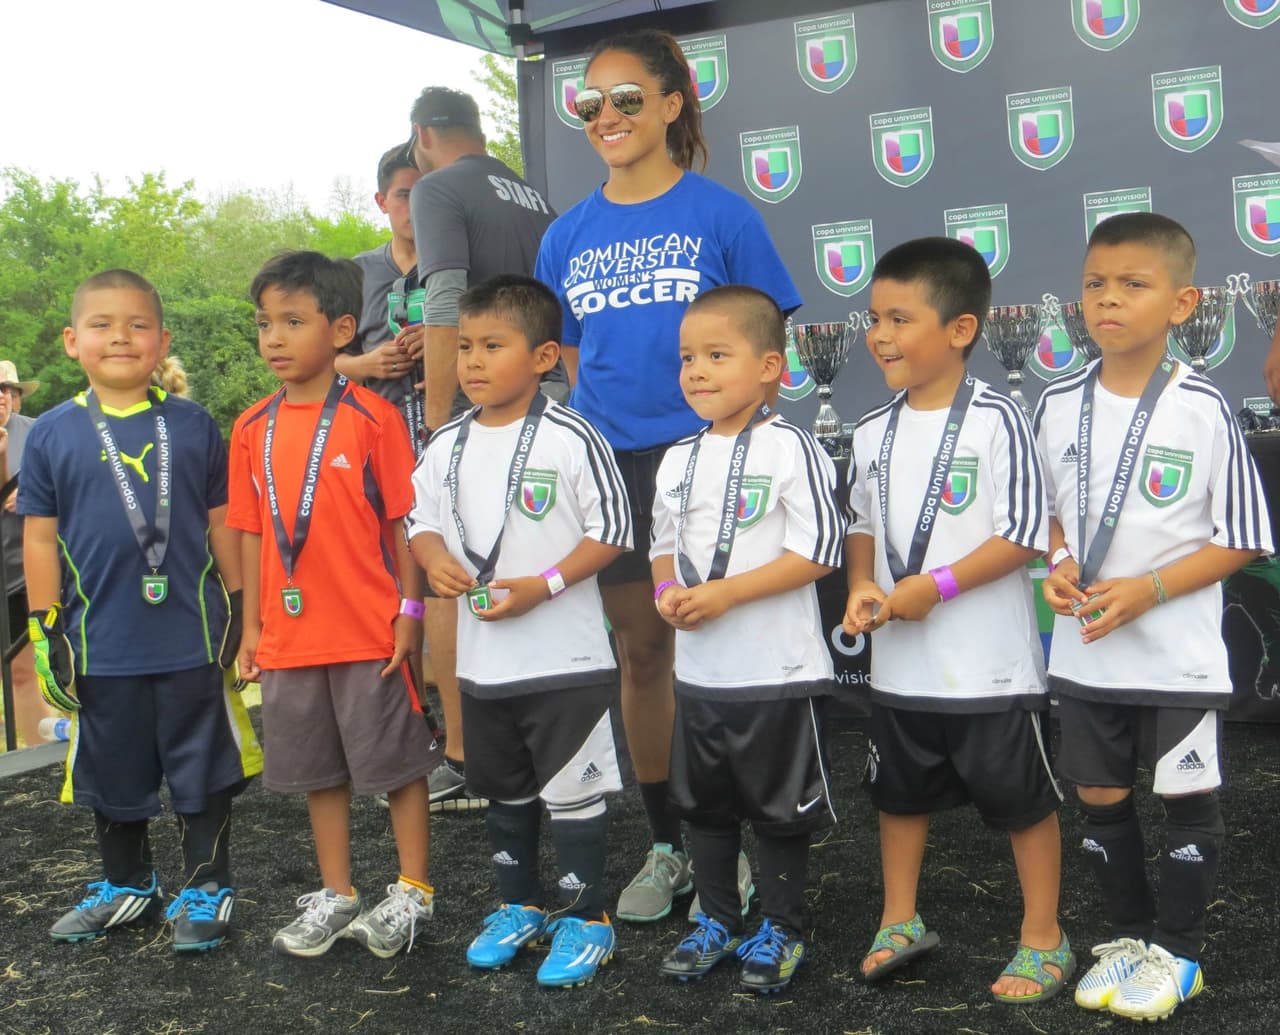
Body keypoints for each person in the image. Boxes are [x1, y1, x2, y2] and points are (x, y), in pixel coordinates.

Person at [534, 28, 802, 923]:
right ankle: (670, 843)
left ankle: (746, 846)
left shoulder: (723, 215)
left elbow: (771, 344)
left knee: (721, 653)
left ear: (672, 104)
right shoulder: (566, 234)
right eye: (590, 103)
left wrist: (737, 448)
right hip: (613, 466)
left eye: (625, 100)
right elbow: (572, 357)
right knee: (644, 654)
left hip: (715, 464)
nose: (605, 116)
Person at [1034, 212, 1272, 1022]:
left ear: (1182, 302)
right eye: (1096, 283)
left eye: (1134, 284)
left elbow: (1243, 538)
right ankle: (1133, 939)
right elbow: (1046, 518)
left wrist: (1151, 589)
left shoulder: (1203, 406)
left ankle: (1180, 951)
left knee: (1184, 796)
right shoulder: (1057, 401)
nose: (1109, 299)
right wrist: (1057, 563)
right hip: (1087, 653)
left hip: (1174, 654)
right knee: (1099, 795)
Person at [842, 238, 1070, 1002]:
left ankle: (1044, 935)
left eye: (899, 318)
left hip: (991, 669)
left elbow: (1025, 533)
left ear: (961, 329)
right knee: (898, 798)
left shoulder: (1000, 418)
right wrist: (862, 587)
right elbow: (862, 523)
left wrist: (932, 585)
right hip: (901, 669)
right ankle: (897, 918)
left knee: (1024, 805)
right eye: (874, 317)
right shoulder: (872, 429)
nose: (879, 334)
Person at [19, 269, 259, 950]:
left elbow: (222, 522)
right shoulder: (54, 433)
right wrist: (45, 628)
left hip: (192, 637)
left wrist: (240, 606)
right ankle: (128, 887)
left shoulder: (191, 423)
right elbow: (38, 536)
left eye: (137, 324)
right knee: (110, 771)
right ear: (71, 340)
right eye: (101, 324)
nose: (120, 336)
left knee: (204, 770)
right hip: (100, 644)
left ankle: (207, 889)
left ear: (163, 340)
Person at [406, 274, 631, 987]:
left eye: (491, 345)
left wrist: (546, 585)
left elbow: (614, 531)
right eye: (464, 345)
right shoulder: (445, 442)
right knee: (504, 790)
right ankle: (519, 906)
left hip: (565, 660)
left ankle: (587, 916)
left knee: (572, 790)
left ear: (540, 358)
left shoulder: (572, 435)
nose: (471, 361)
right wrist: (435, 559)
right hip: (484, 663)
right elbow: (421, 523)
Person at [228, 251, 435, 959]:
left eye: (293, 321)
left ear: (343, 327)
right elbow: (252, 531)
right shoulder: (251, 427)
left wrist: (411, 615)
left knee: (397, 766)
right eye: (264, 324)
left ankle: (412, 891)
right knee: (319, 770)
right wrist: (252, 626)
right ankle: (338, 890)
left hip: (370, 630)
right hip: (291, 636)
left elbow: (401, 524)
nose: (275, 338)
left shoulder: (373, 419)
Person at [649, 285, 841, 994]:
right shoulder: (677, 458)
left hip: (776, 673)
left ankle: (783, 927)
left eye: (716, 355)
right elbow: (661, 546)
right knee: (703, 804)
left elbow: (818, 550)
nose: (697, 370)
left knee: (777, 807)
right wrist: (668, 591)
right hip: (701, 674)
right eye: (688, 357)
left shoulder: (793, 448)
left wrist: (726, 592)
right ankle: (719, 920)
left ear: (770, 366)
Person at [405, 86, 568, 811]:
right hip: (555, 395)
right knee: (540, 562)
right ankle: (549, 745)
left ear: (422, 138)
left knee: (453, 567)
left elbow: (444, 302)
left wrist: (441, 416)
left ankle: (467, 755)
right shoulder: (534, 195)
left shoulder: (438, 187)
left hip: (483, 409)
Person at [338, 144, 428, 454]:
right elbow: (325, 363)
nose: (417, 206)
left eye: (425, 193)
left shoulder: (461, 266)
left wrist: (446, 345)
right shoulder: (357, 272)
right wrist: (368, 364)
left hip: (453, 434)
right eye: (404, 195)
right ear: (382, 201)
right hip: (379, 441)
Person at [0, 359, 50, 746]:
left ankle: (37, 762)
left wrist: (34, 494)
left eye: (7, 390)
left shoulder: (37, 435)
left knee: (22, 670)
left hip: (22, 576)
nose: (2, 397)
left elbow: (71, 494)